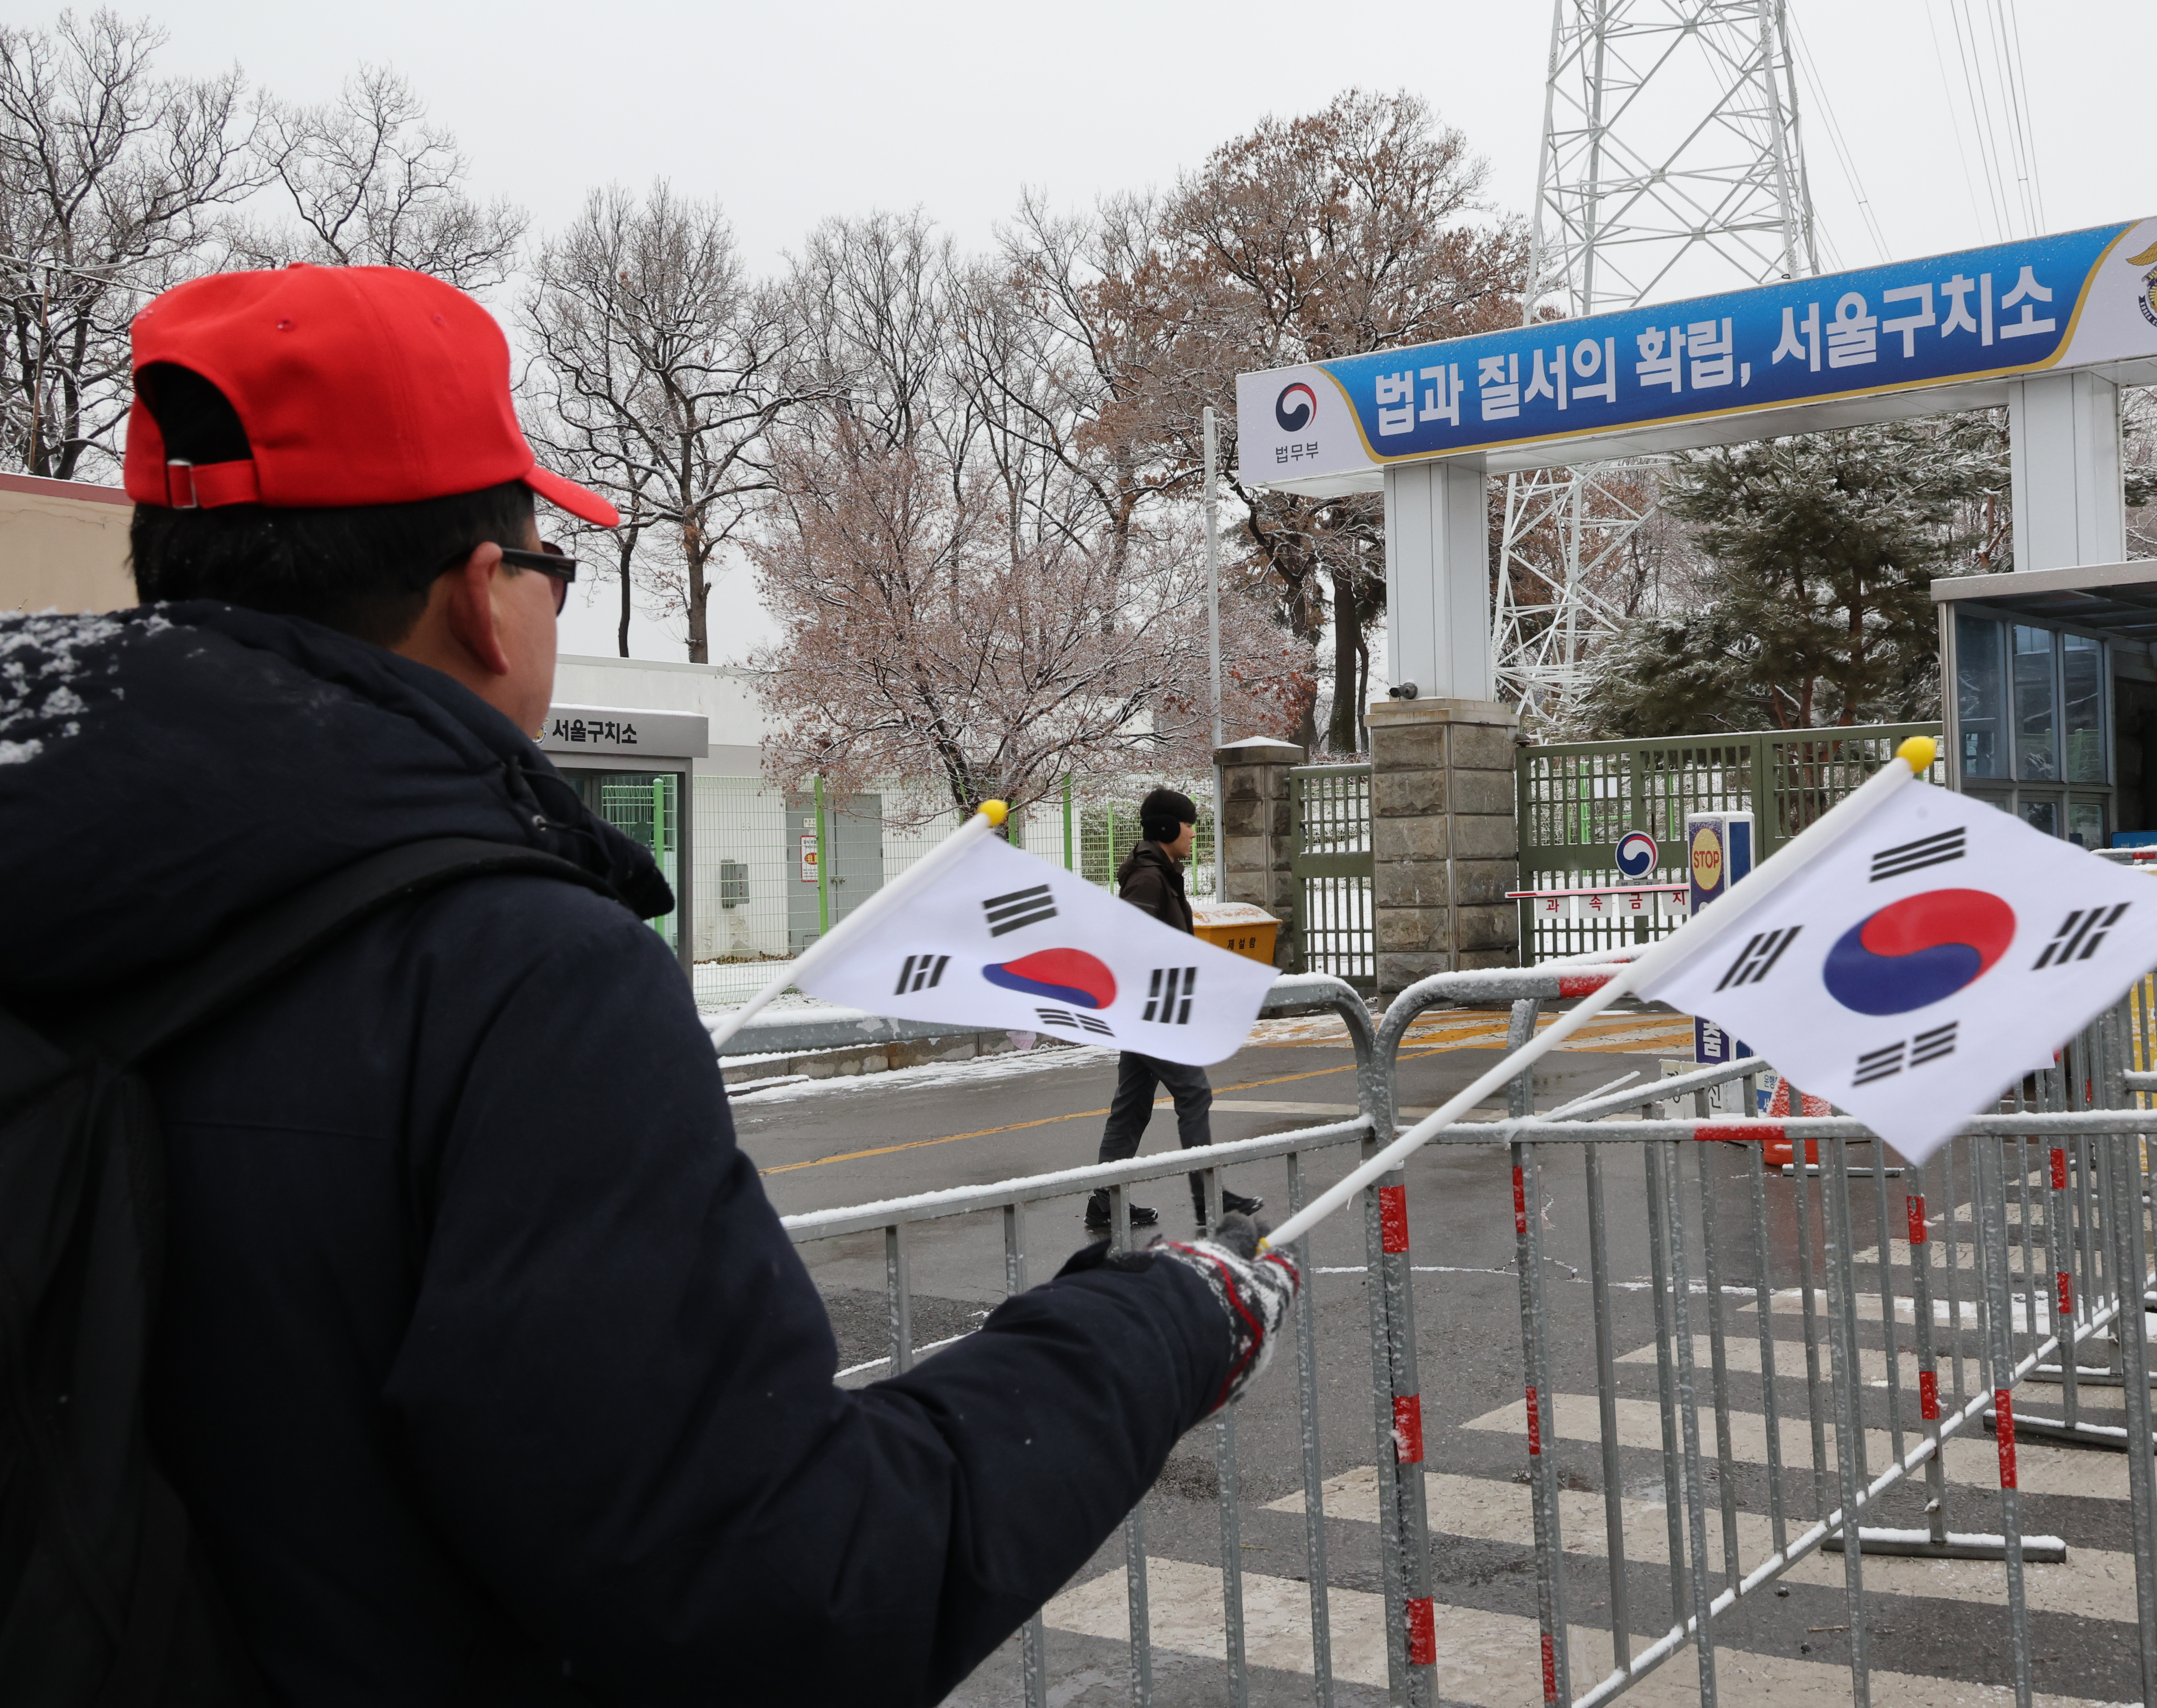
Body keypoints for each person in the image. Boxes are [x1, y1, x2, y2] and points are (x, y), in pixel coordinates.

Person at [0, 263, 1298, 1705]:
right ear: (485, 601)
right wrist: (1158, 1326)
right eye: (552, 568)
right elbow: (785, 1598)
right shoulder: (513, 975)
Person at [1087, 787, 1265, 1233]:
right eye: (1188, 824)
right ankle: (1209, 1198)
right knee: (1194, 1092)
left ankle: (1105, 1201)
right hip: (1149, 1011)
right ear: (1166, 827)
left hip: (1151, 1008)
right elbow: (1131, 946)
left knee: (1132, 1107)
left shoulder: (1161, 873)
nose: (1192, 832)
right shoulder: (1148, 880)